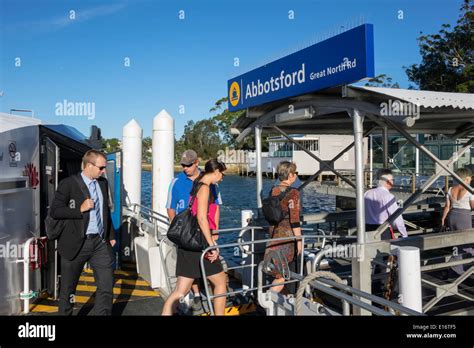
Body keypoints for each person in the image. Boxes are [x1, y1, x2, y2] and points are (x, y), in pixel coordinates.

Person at [50, 150, 116, 315]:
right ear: (89, 165)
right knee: (68, 289)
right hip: (76, 243)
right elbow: (55, 211)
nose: (103, 171)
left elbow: (105, 211)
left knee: (106, 286)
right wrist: (79, 209)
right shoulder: (68, 184)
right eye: (101, 168)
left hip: (99, 242)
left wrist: (111, 235)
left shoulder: (102, 183)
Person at [162, 159, 228, 315]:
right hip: (200, 243)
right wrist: (211, 245)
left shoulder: (197, 184)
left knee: (180, 291)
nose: (222, 178)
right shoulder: (205, 188)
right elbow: (202, 219)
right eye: (222, 174)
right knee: (220, 284)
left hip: (188, 244)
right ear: (217, 172)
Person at [264, 161, 302, 294]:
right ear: (291, 175)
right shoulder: (293, 193)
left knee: (278, 272)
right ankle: (267, 301)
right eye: (295, 173)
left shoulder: (273, 190)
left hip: (274, 235)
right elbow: (295, 219)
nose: (296, 175)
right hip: (286, 238)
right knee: (281, 276)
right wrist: (299, 240)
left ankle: (280, 301)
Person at [441, 167, 474, 275]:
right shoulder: (469, 190)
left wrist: (443, 219)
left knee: (457, 242)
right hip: (464, 217)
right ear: (465, 179)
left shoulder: (450, 189)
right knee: (467, 242)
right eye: (469, 179)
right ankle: (454, 265)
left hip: (452, 216)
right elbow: (472, 206)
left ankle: (456, 267)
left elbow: (447, 206)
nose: (471, 180)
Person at [364, 169, 407, 239]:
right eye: (393, 180)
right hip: (382, 231)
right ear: (388, 182)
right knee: (384, 249)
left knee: (368, 249)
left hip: (367, 229)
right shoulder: (388, 196)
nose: (393, 182)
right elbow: (397, 218)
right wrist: (404, 235)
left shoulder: (367, 193)